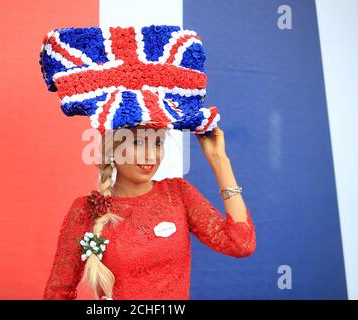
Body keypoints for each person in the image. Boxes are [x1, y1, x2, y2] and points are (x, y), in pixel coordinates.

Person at [39, 25, 256, 300]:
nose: (150, 156)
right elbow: (58, 292)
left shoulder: (178, 194)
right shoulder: (86, 212)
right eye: (137, 142)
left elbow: (241, 244)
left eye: (156, 142)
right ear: (112, 147)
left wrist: (219, 160)